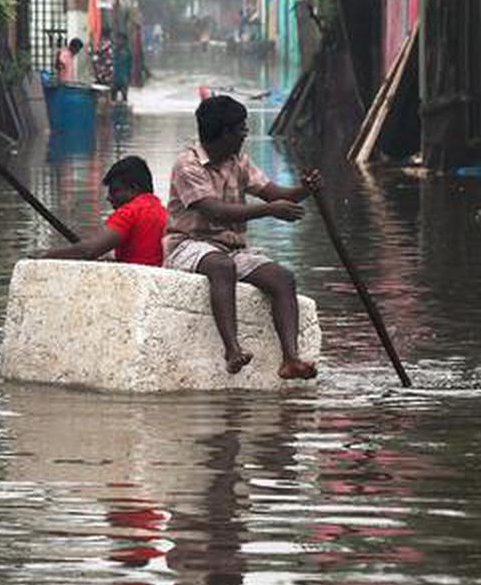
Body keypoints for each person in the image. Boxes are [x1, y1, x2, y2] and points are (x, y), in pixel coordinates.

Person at [163, 95, 321, 379]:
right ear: (224, 133)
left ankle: (291, 359)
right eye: (241, 129)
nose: (245, 135)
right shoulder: (188, 165)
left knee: (283, 278)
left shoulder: (239, 161)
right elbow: (215, 211)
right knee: (223, 267)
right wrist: (268, 211)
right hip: (187, 244)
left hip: (230, 247)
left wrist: (304, 190)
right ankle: (232, 350)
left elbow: (274, 194)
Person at [35, 156, 167, 266]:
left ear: (133, 189)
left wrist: (45, 256)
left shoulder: (129, 212)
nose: (109, 198)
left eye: (115, 191)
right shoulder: (164, 212)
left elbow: (90, 251)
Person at [112, 33, 133, 102]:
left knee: (124, 98)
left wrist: (130, 78)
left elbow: (130, 66)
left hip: (124, 79)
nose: (119, 41)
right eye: (118, 39)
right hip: (114, 78)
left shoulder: (128, 52)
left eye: (121, 40)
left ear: (125, 41)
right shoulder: (112, 51)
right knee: (113, 98)